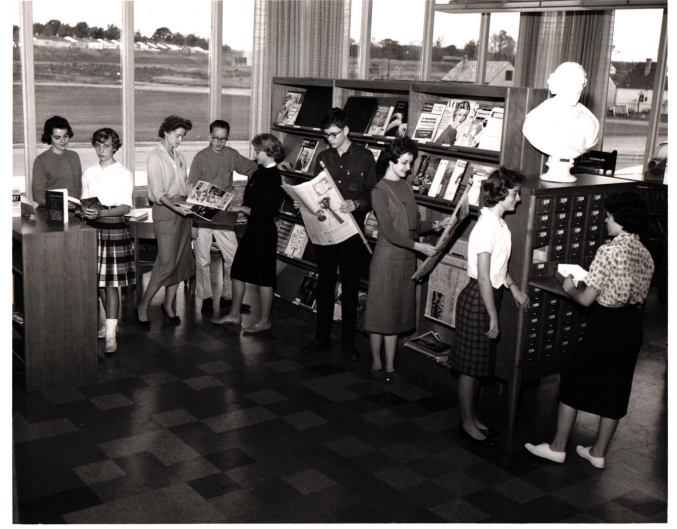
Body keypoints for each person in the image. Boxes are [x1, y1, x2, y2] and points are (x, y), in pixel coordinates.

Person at [525, 192, 654, 469]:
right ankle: (598, 453)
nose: (605, 221)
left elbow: (586, 300)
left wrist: (570, 286)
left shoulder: (608, 251)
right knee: (617, 389)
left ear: (620, 220)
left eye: (608, 217)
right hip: (631, 327)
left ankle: (558, 447)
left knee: (572, 380)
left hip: (605, 325)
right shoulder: (645, 253)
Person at [447, 167, 530, 445]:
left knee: (478, 365)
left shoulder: (499, 224)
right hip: (478, 299)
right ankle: (466, 423)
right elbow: (483, 276)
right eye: (515, 194)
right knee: (470, 369)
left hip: (489, 297)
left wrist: (513, 287)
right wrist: (493, 316)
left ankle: (472, 417)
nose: (518, 199)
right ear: (502, 193)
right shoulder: (485, 228)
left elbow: (498, 267)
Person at [362, 137, 452, 384]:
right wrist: (419, 246)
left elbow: (412, 226)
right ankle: (376, 363)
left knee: (396, 315)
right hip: (387, 258)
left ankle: (391, 367)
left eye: (410, 163)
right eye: (404, 163)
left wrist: (436, 225)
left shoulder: (406, 187)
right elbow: (389, 231)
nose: (408, 168)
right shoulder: (379, 190)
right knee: (380, 315)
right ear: (391, 161)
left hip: (406, 259)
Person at [298, 108, 377, 361]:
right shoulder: (323, 156)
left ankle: (348, 341)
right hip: (326, 231)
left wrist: (358, 204)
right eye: (326, 135)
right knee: (324, 284)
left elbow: (373, 193)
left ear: (346, 131)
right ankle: (321, 337)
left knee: (351, 286)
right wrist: (305, 201)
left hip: (352, 232)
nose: (329, 139)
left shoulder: (365, 157)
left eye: (334, 134)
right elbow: (314, 190)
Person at [213, 134, 285, 333]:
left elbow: (266, 212)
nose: (255, 155)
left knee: (265, 277)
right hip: (253, 229)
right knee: (238, 271)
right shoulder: (258, 172)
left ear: (269, 153)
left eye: (258, 151)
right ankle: (234, 315)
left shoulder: (274, 178)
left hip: (264, 232)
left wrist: (241, 209)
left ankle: (264, 320)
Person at [188, 120, 258, 315]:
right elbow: (190, 186)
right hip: (204, 214)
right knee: (203, 259)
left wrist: (271, 165)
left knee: (234, 256)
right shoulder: (200, 157)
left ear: (227, 138)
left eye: (223, 139)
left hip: (224, 214)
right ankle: (206, 298)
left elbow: (252, 168)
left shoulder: (231, 154)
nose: (219, 143)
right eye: (216, 138)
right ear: (210, 135)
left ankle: (228, 297)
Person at [137, 115, 195, 327]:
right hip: (166, 211)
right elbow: (158, 193)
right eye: (178, 136)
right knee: (167, 262)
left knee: (181, 260)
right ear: (166, 132)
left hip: (182, 210)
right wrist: (177, 208)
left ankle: (169, 305)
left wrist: (199, 195)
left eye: (183, 136)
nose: (180, 140)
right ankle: (143, 305)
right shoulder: (155, 157)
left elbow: (184, 186)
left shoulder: (179, 157)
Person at [81, 128, 135, 354]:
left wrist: (101, 214)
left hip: (113, 228)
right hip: (93, 229)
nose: (101, 150)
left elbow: (125, 207)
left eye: (106, 145)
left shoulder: (124, 173)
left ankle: (111, 335)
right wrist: (83, 211)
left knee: (111, 284)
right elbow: (84, 201)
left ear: (115, 147)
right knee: (99, 281)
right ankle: (109, 324)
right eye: (97, 145)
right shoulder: (89, 172)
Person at [33, 116, 82, 206]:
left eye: (65, 136)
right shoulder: (41, 160)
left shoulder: (74, 156)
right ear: (49, 137)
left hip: (75, 213)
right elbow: (38, 195)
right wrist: (57, 204)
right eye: (57, 138)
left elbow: (79, 188)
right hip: (53, 213)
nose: (63, 141)